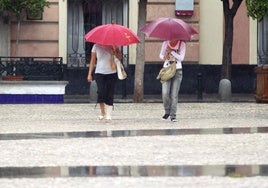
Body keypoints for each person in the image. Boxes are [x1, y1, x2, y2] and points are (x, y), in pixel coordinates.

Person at [87, 44, 122, 122]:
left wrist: (114, 51)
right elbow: (92, 61)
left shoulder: (115, 45)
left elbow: (119, 58)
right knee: (101, 92)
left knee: (110, 93)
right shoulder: (95, 46)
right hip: (99, 72)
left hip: (112, 72)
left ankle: (109, 115)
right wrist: (89, 74)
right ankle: (103, 111)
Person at [159, 40, 186, 122]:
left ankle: (173, 115)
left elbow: (181, 58)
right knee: (165, 93)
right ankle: (167, 111)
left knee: (174, 94)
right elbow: (161, 55)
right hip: (167, 69)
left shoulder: (182, 44)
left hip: (177, 70)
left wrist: (172, 51)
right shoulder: (165, 43)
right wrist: (164, 57)